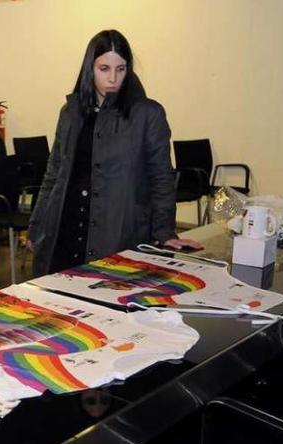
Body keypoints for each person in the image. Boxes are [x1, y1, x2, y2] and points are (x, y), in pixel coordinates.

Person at [27, 30, 201, 277]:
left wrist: (165, 232)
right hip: (64, 231)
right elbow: (54, 173)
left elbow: (161, 178)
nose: (112, 78)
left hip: (116, 233)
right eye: (104, 68)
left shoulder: (147, 114)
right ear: (90, 68)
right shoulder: (70, 112)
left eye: (121, 69)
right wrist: (37, 226)